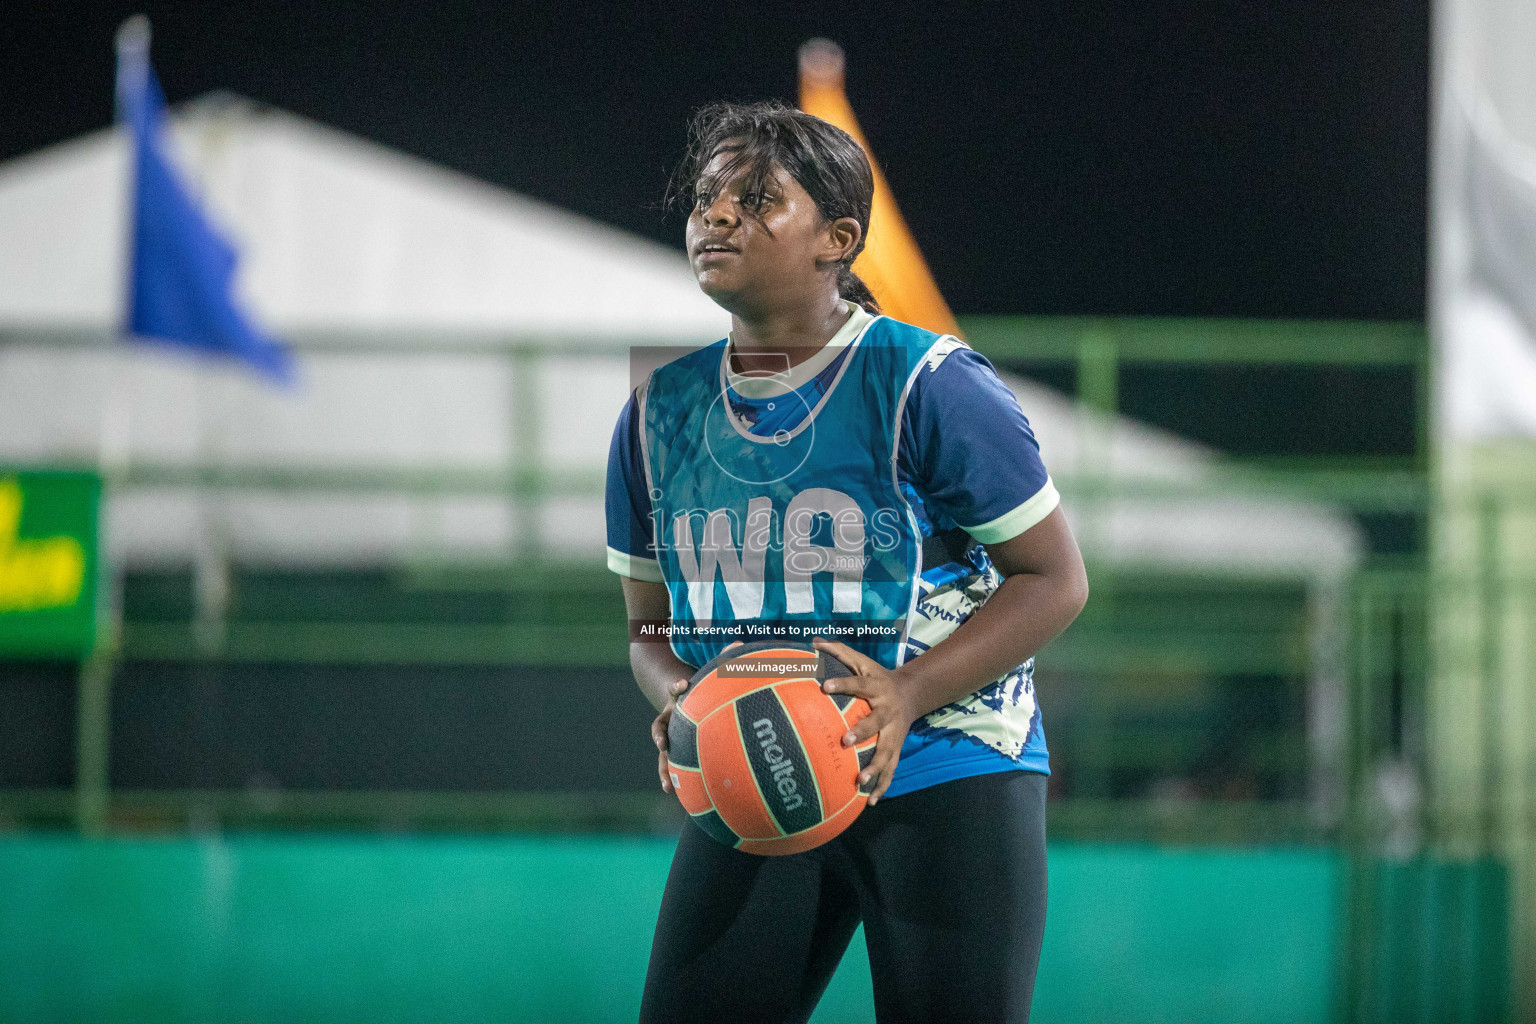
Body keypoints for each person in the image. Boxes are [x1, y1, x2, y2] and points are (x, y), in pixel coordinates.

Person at [604, 100, 1089, 1024]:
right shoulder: (658, 411)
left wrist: (906, 694)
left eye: (755, 199)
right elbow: (648, 625)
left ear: (839, 238)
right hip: (755, 771)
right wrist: (675, 694)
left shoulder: (929, 383)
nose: (716, 216)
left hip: (947, 765)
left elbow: (1056, 580)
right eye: (708, 198)